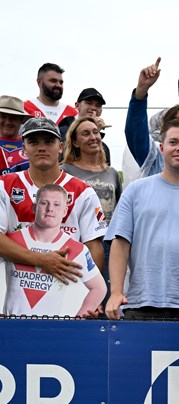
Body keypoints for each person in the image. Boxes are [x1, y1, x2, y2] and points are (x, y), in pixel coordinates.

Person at [105, 118, 179, 320]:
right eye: (173, 142)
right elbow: (120, 243)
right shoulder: (135, 190)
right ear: (161, 148)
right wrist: (115, 292)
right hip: (139, 304)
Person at [0, 117, 106, 272]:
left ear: (61, 147)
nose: (41, 148)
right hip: (12, 283)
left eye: (49, 141)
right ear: (24, 149)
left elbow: (93, 246)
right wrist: (41, 260)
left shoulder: (83, 192)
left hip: (66, 282)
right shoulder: (4, 185)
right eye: (33, 142)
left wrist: (89, 285)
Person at [3, 183, 104, 317]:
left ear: (64, 211)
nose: (50, 209)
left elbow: (99, 288)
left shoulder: (76, 249)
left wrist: (80, 318)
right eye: (44, 203)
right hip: (11, 326)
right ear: (34, 207)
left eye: (56, 205)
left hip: (53, 327)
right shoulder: (10, 241)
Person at [61, 117, 122, 223]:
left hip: (108, 233)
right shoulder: (64, 171)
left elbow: (120, 212)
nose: (93, 137)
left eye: (95, 132)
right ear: (75, 142)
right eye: (86, 134)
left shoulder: (112, 173)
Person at [24, 63, 77, 130]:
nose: (58, 85)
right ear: (39, 82)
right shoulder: (25, 109)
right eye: (53, 81)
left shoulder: (73, 113)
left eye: (61, 82)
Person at [73, 88, 112, 165]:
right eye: (89, 103)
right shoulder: (64, 127)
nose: (93, 108)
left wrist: (96, 131)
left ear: (101, 111)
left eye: (98, 105)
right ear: (77, 106)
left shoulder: (104, 148)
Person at [0, 96, 29, 175]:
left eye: (13, 118)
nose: (8, 122)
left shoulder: (30, 145)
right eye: (3, 117)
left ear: (21, 119)